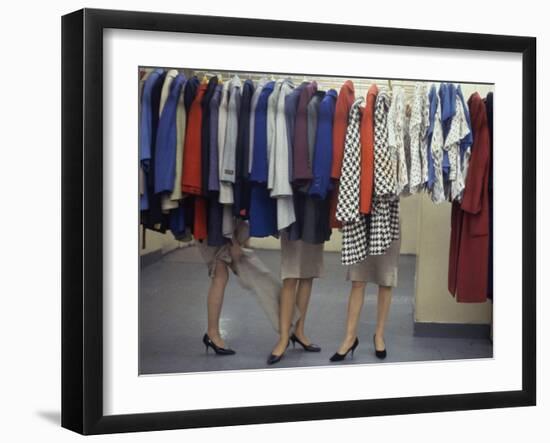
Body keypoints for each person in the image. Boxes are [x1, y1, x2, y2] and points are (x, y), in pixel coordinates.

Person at [329, 237, 401, 361]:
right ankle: (350, 337)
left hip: (388, 225)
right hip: (361, 224)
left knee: (385, 280)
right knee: (357, 279)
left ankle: (379, 336)